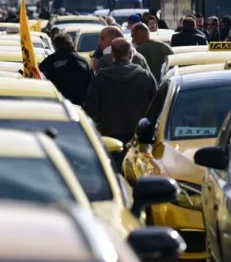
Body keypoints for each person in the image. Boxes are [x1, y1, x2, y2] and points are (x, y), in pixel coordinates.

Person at [83, 39, 157, 172]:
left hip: (110, 139)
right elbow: (158, 109)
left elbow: (89, 110)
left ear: (112, 55)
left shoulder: (100, 78)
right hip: (140, 140)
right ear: (131, 54)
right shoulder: (145, 77)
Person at [39, 33, 92, 105]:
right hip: (80, 105)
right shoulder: (83, 61)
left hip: (58, 104)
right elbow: (91, 84)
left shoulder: (51, 60)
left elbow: (39, 79)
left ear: (55, 46)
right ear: (72, 44)